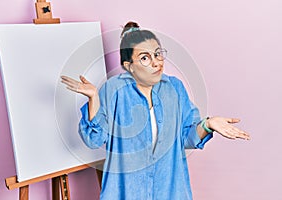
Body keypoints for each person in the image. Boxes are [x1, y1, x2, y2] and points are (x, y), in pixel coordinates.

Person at [61, 21, 250, 200]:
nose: (156, 62)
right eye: (145, 57)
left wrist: (208, 124)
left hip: (170, 190)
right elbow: (95, 140)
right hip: (126, 191)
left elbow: (186, 137)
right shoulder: (113, 90)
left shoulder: (175, 88)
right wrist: (94, 98)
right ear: (129, 66)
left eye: (158, 54)